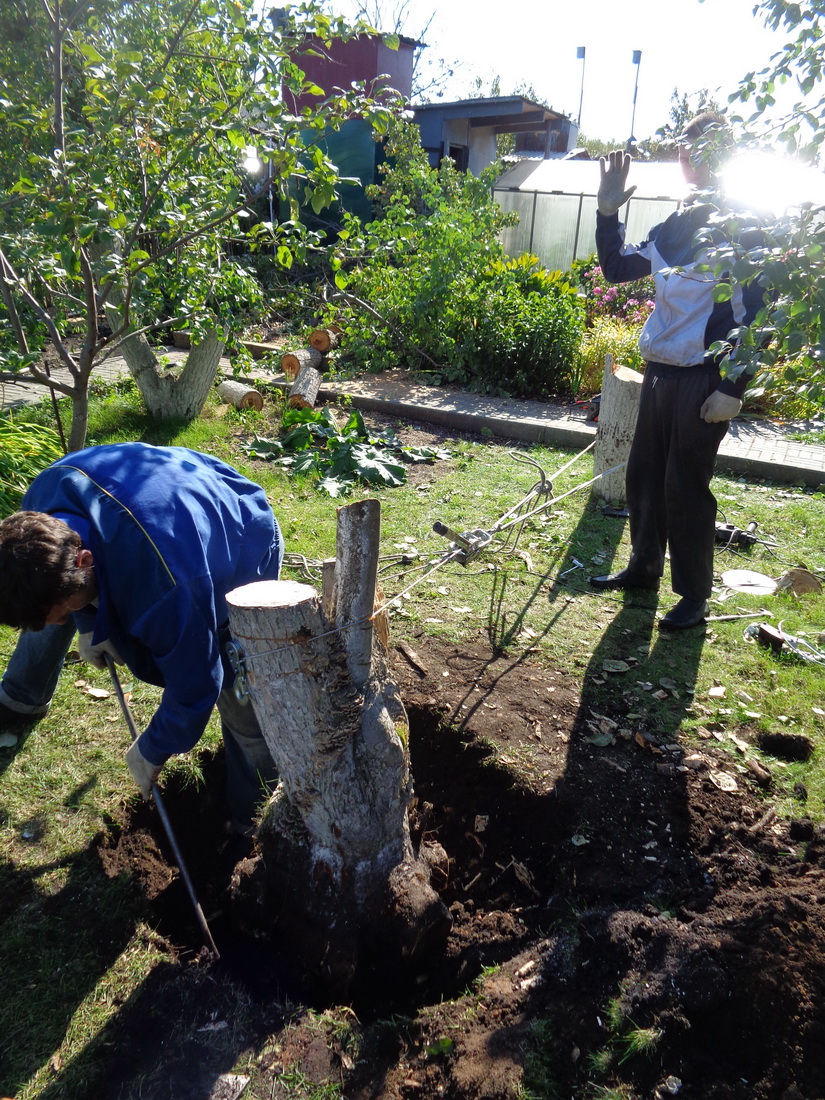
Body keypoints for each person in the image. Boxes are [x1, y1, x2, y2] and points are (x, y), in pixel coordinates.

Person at [0, 442, 283, 834]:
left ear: (84, 563)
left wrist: (152, 748)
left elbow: (197, 684)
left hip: (240, 532)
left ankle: (250, 822)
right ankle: (18, 698)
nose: (58, 624)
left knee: (238, 686)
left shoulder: (165, 588)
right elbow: (71, 589)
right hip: (168, 493)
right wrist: (84, 622)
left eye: (62, 613)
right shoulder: (39, 509)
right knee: (54, 605)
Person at [589, 111, 766, 630]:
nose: (688, 157)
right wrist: (605, 215)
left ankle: (693, 596)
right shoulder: (680, 222)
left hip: (703, 377)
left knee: (684, 486)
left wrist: (733, 388)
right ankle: (644, 568)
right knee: (644, 477)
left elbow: (759, 315)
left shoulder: (745, 225)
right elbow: (619, 269)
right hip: (662, 371)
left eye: (700, 148)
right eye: (685, 148)